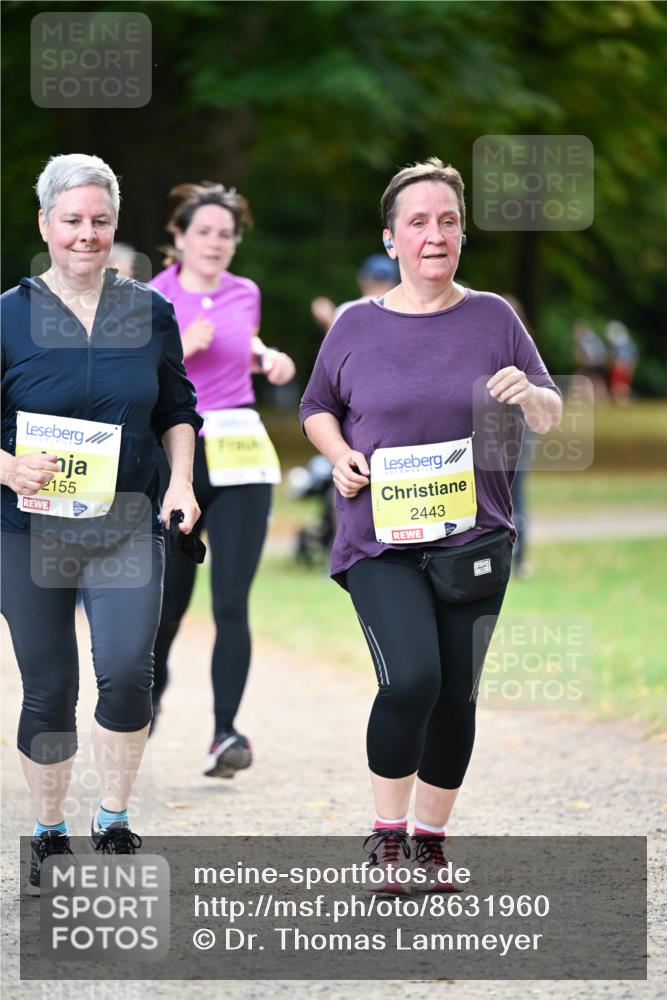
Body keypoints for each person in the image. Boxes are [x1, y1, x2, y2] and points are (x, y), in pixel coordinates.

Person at [301, 157, 562, 892]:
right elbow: (314, 406)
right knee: (411, 678)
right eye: (417, 222)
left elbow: (547, 407)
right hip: (378, 539)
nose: (433, 234)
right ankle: (386, 838)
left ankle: (430, 840)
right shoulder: (355, 324)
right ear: (391, 240)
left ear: (460, 234)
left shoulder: (493, 319)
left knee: (456, 694)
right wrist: (341, 452)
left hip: (472, 538)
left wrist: (530, 397)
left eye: (447, 220)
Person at [0, 154, 202, 893]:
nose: (87, 234)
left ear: (115, 226)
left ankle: (112, 817)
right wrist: (7, 466)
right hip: (27, 529)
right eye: (72, 220)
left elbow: (178, 412)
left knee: (124, 673)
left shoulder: (148, 311)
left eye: (100, 221)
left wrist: (181, 481)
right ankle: (49, 829)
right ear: (46, 225)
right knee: (48, 688)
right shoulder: (8, 314)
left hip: (127, 522)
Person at [149, 182, 296, 777]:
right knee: (168, 606)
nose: (215, 242)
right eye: (203, 231)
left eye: (226, 234)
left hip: (239, 453)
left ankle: (224, 734)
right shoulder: (151, 298)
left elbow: (242, 341)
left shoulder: (246, 293)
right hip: (177, 461)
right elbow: (132, 379)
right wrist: (180, 347)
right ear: (179, 237)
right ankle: (147, 696)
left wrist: (266, 356)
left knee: (232, 600)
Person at [310, 254, 400, 332]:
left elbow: (336, 348)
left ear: (361, 279)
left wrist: (328, 320)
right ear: (394, 283)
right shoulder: (404, 312)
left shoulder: (347, 310)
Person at [605, 320, 638, 405]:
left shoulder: (615, 343)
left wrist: (609, 366)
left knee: (617, 386)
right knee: (622, 386)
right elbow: (634, 356)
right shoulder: (629, 342)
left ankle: (623, 402)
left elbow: (612, 357)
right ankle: (624, 401)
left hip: (618, 367)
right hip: (628, 367)